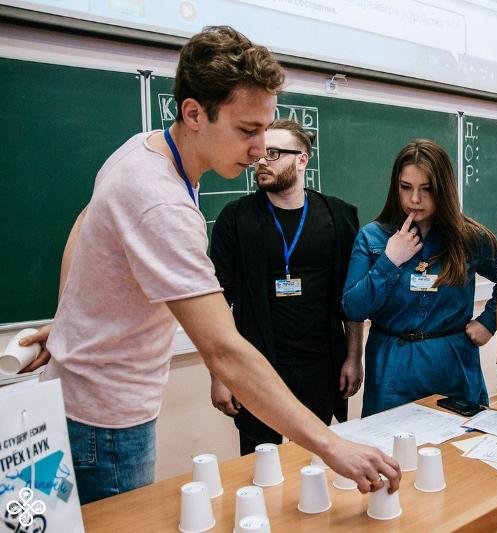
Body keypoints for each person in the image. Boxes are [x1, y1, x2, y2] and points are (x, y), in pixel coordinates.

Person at [18, 26, 400, 504]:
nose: (259, 149)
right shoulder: (163, 203)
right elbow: (224, 350)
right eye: (247, 130)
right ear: (195, 114)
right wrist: (332, 445)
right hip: (106, 420)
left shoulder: (143, 149)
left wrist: (70, 320)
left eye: (266, 129)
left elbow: (85, 222)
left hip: (85, 399)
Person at [209, 118, 363, 455]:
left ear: (302, 159)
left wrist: (354, 357)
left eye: (274, 153)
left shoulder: (338, 217)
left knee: (315, 462)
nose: (261, 161)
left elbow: (350, 298)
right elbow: (218, 301)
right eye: (259, 154)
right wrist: (220, 374)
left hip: (320, 366)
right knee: (260, 465)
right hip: (257, 367)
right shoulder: (235, 219)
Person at [342, 139, 497, 416]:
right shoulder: (373, 237)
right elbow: (353, 308)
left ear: (444, 189)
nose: (414, 199)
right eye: (406, 187)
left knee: (460, 440)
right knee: (389, 439)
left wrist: (489, 321)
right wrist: (390, 261)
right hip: (392, 368)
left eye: (427, 189)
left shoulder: (470, 237)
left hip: (453, 366)